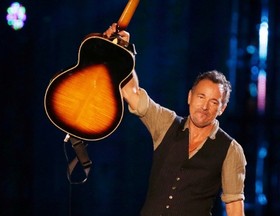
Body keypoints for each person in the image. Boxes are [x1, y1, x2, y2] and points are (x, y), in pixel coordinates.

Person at [104, 23, 247, 216]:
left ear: (222, 108)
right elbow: (132, 93)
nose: (204, 107)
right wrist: (122, 49)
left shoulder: (230, 149)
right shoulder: (166, 123)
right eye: (201, 97)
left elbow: (234, 208)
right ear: (190, 97)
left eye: (214, 102)